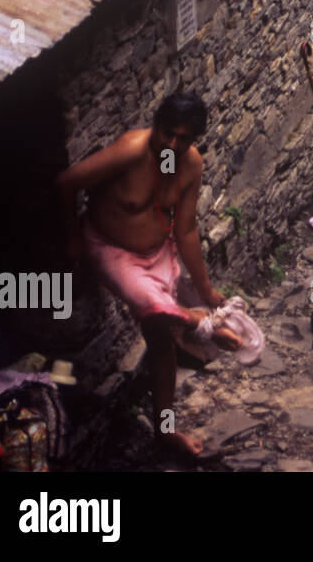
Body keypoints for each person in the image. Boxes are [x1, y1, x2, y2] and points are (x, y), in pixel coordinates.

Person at [56, 93, 239, 457]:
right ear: (155, 124)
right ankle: (201, 325)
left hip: (158, 253)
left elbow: (185, 230)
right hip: (113, 250)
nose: (171, 144)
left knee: (160, 340)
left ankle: (165, 430)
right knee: (156, 308)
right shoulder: (132, 150)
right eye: (166, 133)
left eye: (182, 138)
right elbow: (66, 182)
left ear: (193, 140)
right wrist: (73, 238)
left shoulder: (189, 165)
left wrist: (206, 289)